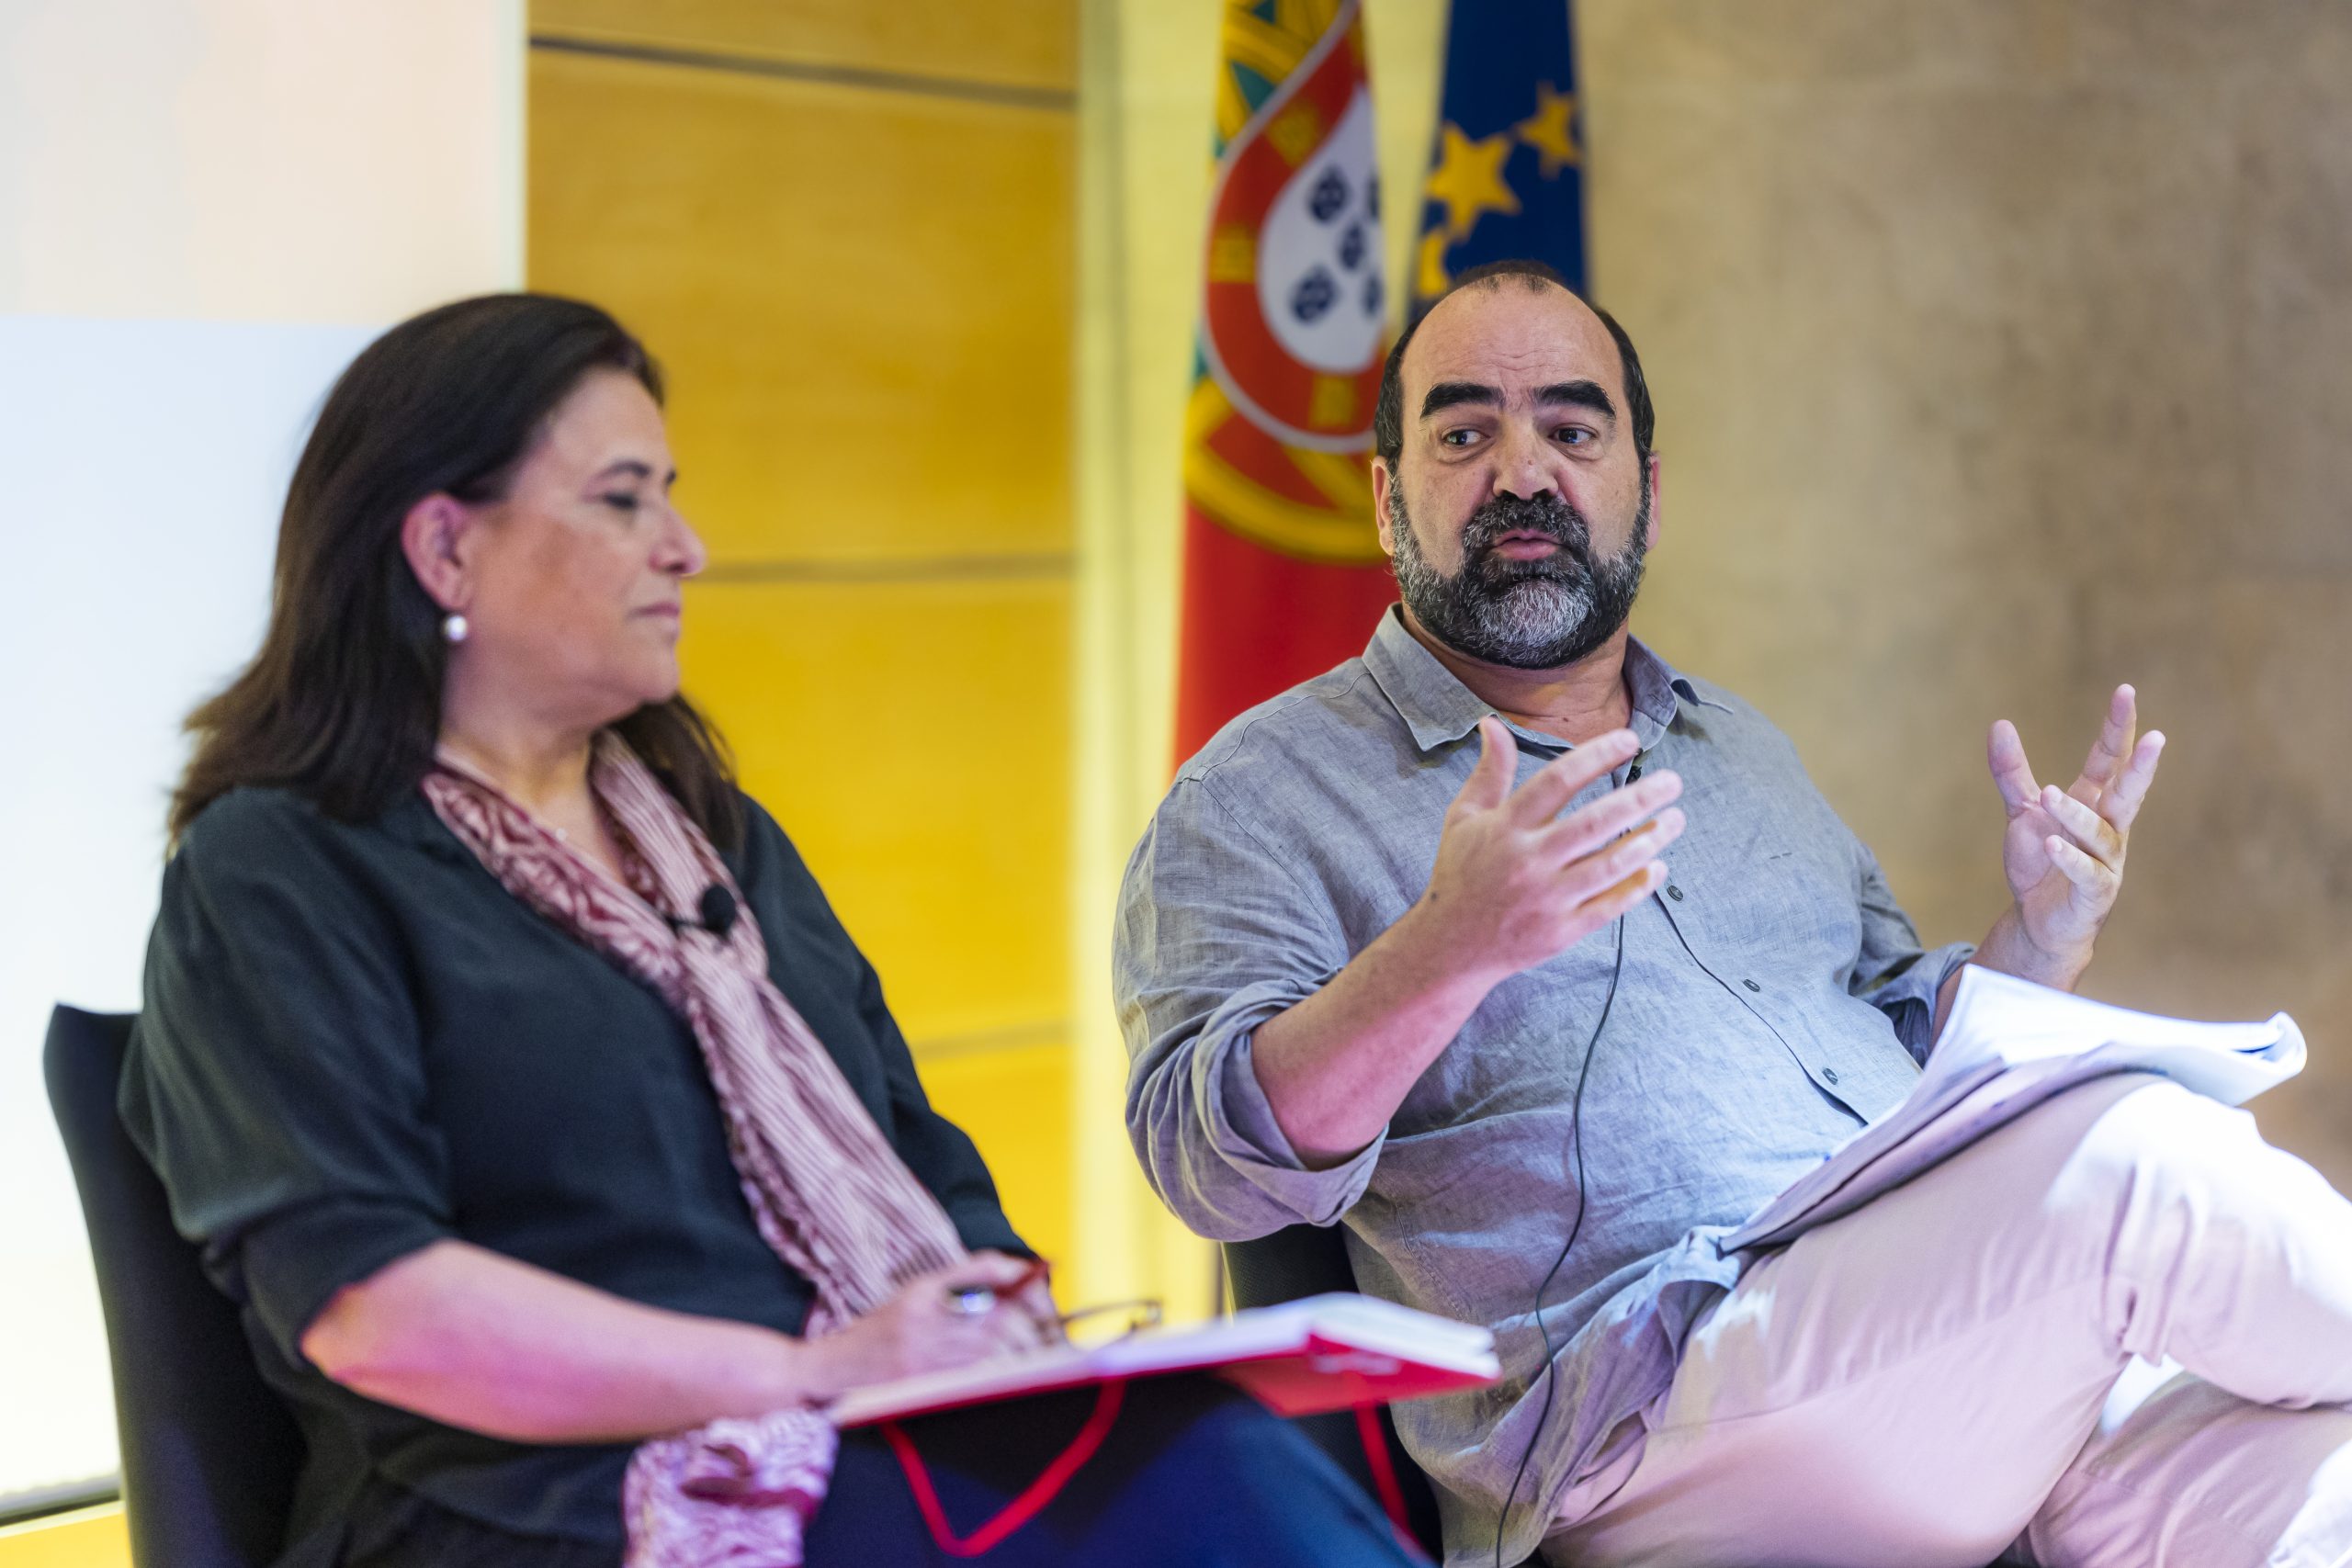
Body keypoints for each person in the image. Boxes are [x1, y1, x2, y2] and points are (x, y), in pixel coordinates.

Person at [123, 293, 1424, 1568]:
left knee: (1207, 1451)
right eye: (623, 500)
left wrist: (996, 1323)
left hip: (867, 1440)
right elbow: (372, 1312)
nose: (685, 547)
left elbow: (921, 1158)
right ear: (444, 549)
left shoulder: (712, 836)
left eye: (669, 496)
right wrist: (816, 1371)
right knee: (1197, 1497)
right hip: (544, 1510)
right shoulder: (279, 871)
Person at [1114, 259, 2352, 1568]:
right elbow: (1209, 1169)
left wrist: (2042, 936)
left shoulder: (1740, 747)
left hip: (1935, 1349)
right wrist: (1448, 949)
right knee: (2145, 1161)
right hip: (1651, 1413)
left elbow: (1912, 1051)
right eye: (1465, 434)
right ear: (1385, 498)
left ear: (1647, 491)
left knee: (2320, 1478)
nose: (1525, 472)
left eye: (1573, 430)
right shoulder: (1258, 792)